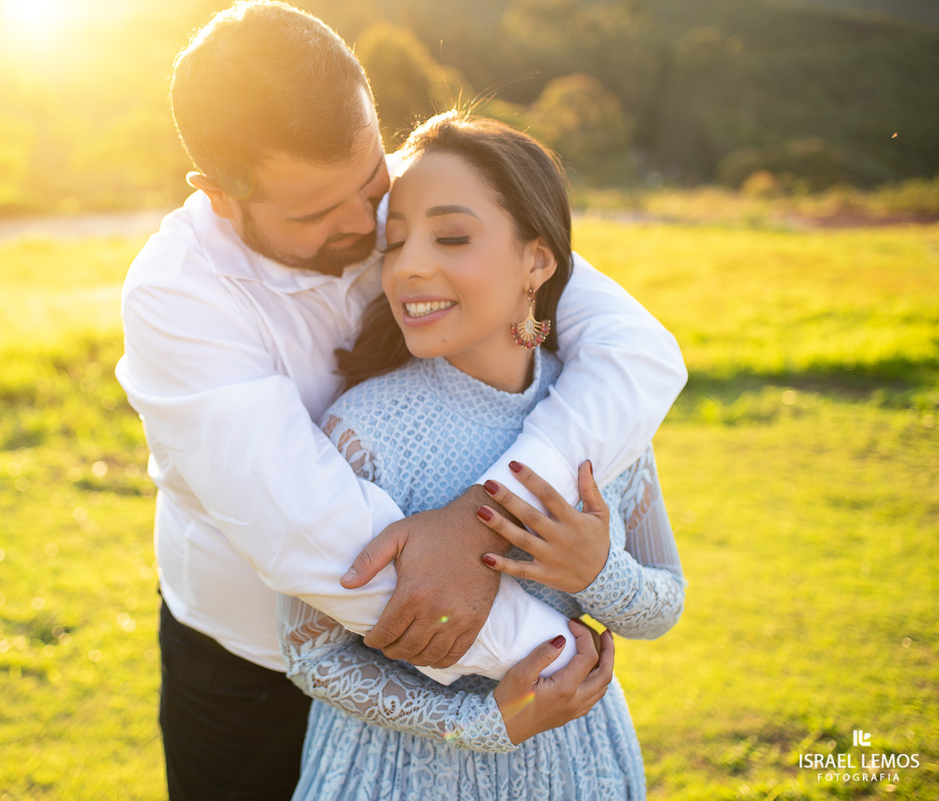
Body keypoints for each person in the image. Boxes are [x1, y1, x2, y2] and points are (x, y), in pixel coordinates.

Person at [114, 3, 687, 799]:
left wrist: (491, 504)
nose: (367, 223)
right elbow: (312, 539)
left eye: (368, 180)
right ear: (218, 196)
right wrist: (554, 655)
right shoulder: (176, 295)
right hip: (248, 666)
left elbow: (636, 352)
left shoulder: (422, 201)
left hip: (491, 695)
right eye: (316, 213)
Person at [278, 110, 686, 800]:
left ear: (538, 259)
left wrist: (598, 572)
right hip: (390, 779)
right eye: (396, 241)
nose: (408, 266)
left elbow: (664, 599)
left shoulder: (601, 410)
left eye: (453, 236)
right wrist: (480, 720)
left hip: (579, 773)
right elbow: (310, 652)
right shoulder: (362, 430)